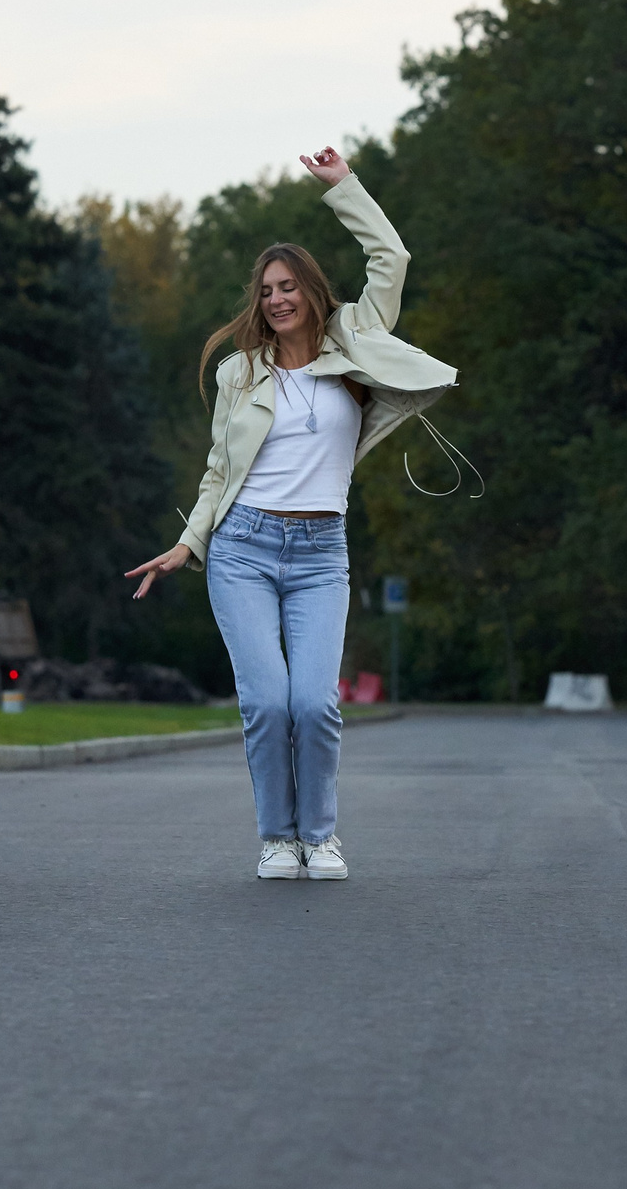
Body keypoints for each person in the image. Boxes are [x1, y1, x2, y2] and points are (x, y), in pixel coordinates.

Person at [125, 147, 457, 882]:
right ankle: (278, 837)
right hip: (243, 547)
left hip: (320, 554)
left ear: (310, 291)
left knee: (315, 704)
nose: (276, 299)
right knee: (269, 705)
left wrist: (345, 188)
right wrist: (189, 543)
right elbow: (219, 471)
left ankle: (322, 837)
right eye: (266, 289)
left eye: (288, 287)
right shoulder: (240, 371)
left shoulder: (355, 340)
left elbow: (391, 258)